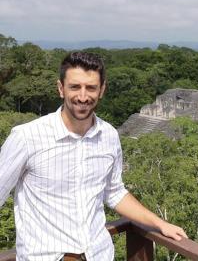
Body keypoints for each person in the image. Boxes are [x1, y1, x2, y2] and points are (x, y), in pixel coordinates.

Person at [0, 52, 187, 261]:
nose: (82, 96)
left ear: (102, 90)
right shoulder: (27, 137)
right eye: (74, 87)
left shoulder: (108, 135)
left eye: (90, 88)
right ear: (61, 88)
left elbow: (114, 192)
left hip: (98, 255)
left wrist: (160, 224)